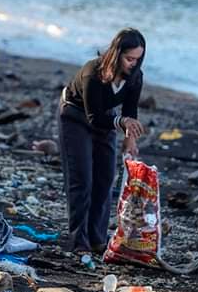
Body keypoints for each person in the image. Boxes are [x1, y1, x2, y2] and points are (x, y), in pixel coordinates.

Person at [58, 28, 147, 254]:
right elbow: (93, 117)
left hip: (108, 121)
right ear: (116, 54)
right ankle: (79, 242)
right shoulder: (93, 73)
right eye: (129, 59)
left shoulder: (135, 76)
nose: (133, 64)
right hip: (76, 117)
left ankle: (97, 239)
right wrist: (122, 122)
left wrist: (130, 140)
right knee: (82, 180)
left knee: (105, 179)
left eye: (138, 59)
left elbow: (129, 110)